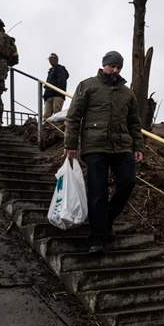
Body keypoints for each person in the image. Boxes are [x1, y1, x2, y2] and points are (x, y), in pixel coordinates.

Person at [64, 51, 144, 253]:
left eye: (118, 67)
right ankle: (97, 238)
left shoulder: (127, 93)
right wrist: (71, 145)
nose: (115, 70)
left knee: (128, 182)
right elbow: (73, 117)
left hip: (122, 146)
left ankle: (105, 220)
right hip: (95, 146)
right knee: (97, 191)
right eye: (112, 66)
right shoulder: (88, 85)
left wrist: (138, 147)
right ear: (104, 65)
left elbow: (134, 123)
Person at [43, 53, 69, 120]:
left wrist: (58, 92)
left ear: (56, 59)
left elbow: (61, 82)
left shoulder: (61, 69)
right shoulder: (50, 71)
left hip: (57, 95)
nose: (50, 61)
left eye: (52, 59)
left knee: (57, 114)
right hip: (49, 96)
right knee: (46, 115)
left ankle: (57, 129)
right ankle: (45, 129)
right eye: (49, 59)